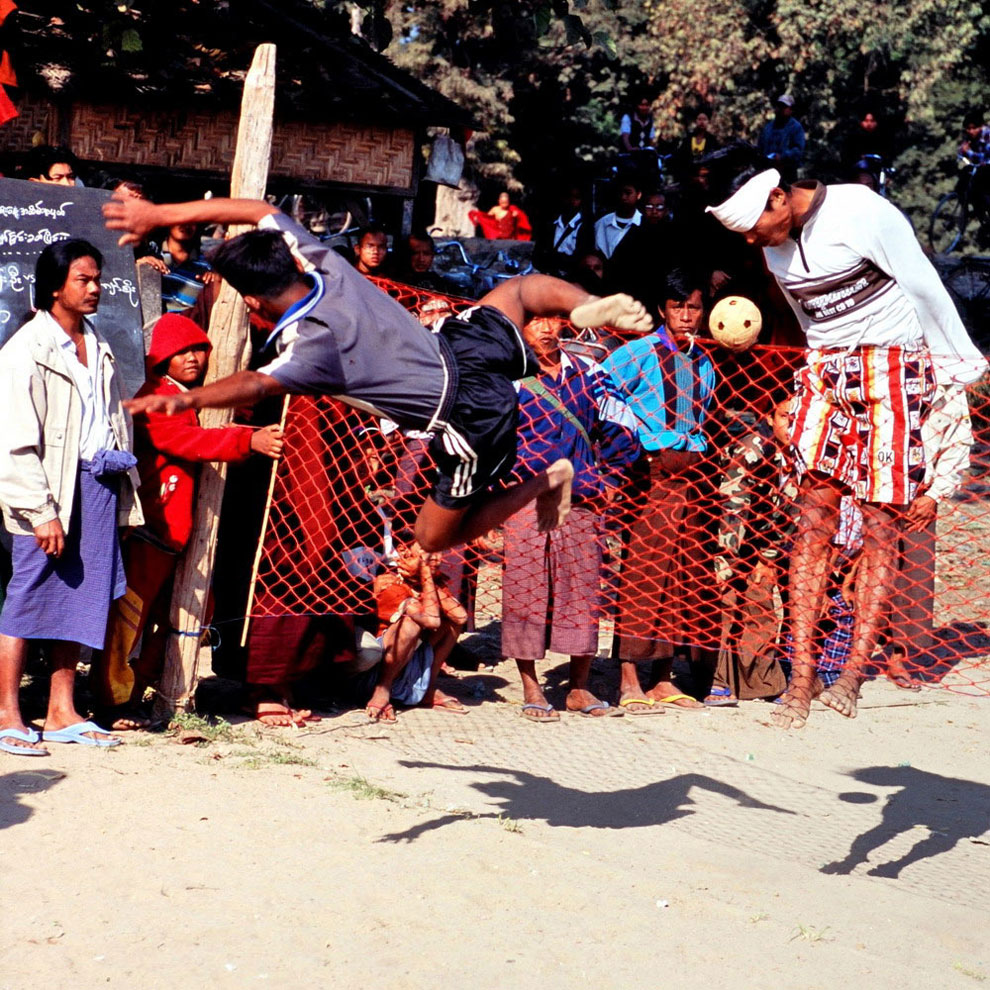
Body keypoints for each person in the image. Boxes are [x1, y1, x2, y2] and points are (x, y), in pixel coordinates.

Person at [104, 193, 652, 555]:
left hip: (464, 417)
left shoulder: (306, 347)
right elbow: (258, 206)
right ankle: (584, 307)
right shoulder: (323, 263)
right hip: (460, 346)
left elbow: (255, 384)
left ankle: (545, 480)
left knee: (433, 538)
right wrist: (159, 216)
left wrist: (190, 400)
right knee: (521, 291)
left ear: (251, 300)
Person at [705, 163, 987, 728]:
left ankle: (855, 671)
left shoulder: (861, 210)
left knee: (882, 520)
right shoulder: (775, 247)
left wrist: (961, 360)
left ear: (780, 197)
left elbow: (923, 283)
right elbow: (812, 320)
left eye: (756, 227)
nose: (753, 241)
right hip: (827, 370)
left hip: (892, 366)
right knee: (812, 516)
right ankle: (802, 675)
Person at [91, 314, 284, 729]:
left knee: (192, 612)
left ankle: (143, 687)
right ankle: (112, 703)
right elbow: (186, 441)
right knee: (129, 619)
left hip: (180, 534)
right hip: (151, 530)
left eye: (199, 349)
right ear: (162, 357)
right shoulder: (155, 397)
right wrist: (247, 439)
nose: (193, 358)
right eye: (181, 351)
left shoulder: (197, 399)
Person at [0, 239, 144, 755]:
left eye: (97, 278)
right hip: (49, 491)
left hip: (96, 486)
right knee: (28, 596)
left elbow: (111, 420)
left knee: (81, 600)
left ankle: (62, 711)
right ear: (55, 286)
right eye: (84, 279)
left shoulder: (96, 340)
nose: (95, 288)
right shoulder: (26, 351)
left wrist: (122, 495)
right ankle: (8, 713)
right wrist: (41, 511)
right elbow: (14, 441)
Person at [502, 316, 639, 721]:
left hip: (580, 500)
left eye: (551, 320)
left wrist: (611, 477)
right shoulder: (509, 377)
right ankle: (531, 687)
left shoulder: (590, 373)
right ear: (520, 328)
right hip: (524, 498)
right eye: (534, 321)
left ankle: (579, 688)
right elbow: (487, 434)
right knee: (524, 590)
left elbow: (621, 423)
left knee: (583, 592)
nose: (546, 329)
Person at [600, 268, 719, 714]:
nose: (686, 316)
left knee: (680, 577)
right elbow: (601, 388)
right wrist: (630, 441)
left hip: (692, 480)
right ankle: (629, 677)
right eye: (677, 308)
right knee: (643, 574)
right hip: (649, 479)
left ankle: (663, 678)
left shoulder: (704, 359)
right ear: (662, 311)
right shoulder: (639, 353)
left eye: (693, 308)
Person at [706, 393, 797, 705]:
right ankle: (716, 682)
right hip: (724, 538)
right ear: (770, 419)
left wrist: (767, 558)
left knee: (761, 608)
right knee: (725, 604)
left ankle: (760, 684)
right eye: (785, 416)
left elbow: (787, 512)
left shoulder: (800, 455)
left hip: (758, 543)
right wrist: (725, 563)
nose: (792, 424)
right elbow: (733, 508)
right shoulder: (753, 449)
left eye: (797, 417)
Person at [885, 381, 974, 689]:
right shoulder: (882, 369)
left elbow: (959, 444)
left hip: (921, 493)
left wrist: (935, 495)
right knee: (863, 568)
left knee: (915, 575)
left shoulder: (950, 390)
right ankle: (844, 652)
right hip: (874, 482)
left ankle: (902, 656)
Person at [361, 535, 468, 722]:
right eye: (429, 553)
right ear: (404, 551)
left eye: (439, 552)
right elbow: (431, 621)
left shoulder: (434, 581)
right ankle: (382, 689)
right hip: (376, 670)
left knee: (450, 622)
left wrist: (426, 577)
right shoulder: (391, 581)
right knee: (411, 622)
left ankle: (428, 688)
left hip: (408, 664)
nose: (437, 559)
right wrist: (426, 572)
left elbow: (460, 617)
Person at [606, 189, 676, 314]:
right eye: (649, 206)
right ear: (643, 210)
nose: (654, 211)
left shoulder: (674, 235)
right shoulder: (634, 234)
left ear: (666, 210)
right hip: (637, 299)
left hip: (666, 296)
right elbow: (616, 267)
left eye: (659, 207)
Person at [756, 95, 805, 182]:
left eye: (784, 106)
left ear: (791, 109)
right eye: (779, 106)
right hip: (768, 171)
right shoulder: (768, 127)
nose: (780, 109)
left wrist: (782, 157)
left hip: (787, 173)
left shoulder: (796, 127)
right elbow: (760, 147)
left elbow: (798, 150)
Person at [594, 177, 642, 260]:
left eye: (628, 193)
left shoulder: (644, 223)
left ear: (638, 195)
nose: (623, 197)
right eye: (620, 193)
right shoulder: (602, 223)